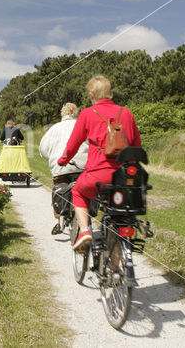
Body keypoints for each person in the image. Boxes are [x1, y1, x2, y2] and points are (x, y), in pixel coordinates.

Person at [57, 75, 141, 251]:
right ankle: (117, 266)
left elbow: (73, 144)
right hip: (125, 178)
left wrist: (63, 160)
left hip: (98, 175)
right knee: (118, 217)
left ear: (91, 94)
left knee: (78, 191)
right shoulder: (126, 113)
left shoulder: (88, 113)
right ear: (110, 93)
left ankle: (85, 231)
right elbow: (137, 147)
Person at [39, 103, 89, 235]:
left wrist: (51, 156)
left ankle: (58, 223)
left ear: (62, 114)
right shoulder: (83, 125)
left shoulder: (54, 129)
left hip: (61, 168)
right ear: (75, 113)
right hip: (81, 168)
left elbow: (43, 151)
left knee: (59, 188)